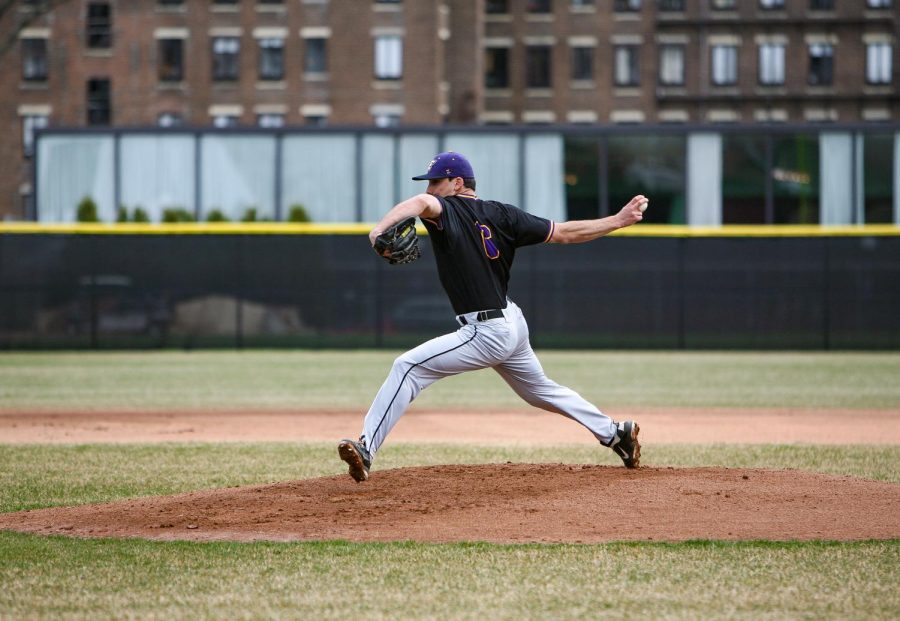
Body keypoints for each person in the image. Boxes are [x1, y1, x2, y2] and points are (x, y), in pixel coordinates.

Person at [339, 151, 647, 482]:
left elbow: (418, 203)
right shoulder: (504, 214)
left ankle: (367, 448)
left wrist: (378, 231)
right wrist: (617, 220)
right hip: (511, 322)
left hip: (487, 331)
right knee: (539, 390)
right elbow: (565, 232)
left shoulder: (448, 207)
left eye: (435, 182)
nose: (430, 190)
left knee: (408, 368)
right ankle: (616, 434)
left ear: (457, 184)